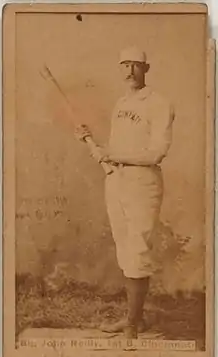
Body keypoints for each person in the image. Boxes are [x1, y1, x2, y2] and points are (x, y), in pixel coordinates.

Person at [75, 46, 175, 339]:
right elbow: (114, 152)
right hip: (116, 181)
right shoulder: (120, 103)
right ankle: (135, 319)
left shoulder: (159, 103)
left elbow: (156, 152)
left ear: (146, 69)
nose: (130, 70)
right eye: (125, 65)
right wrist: (89, 140)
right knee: (124, 249)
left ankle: (132, 323)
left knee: (138, 250)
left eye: (136, 65)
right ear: (120, 69)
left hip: (143, 183)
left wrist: (112, 152)